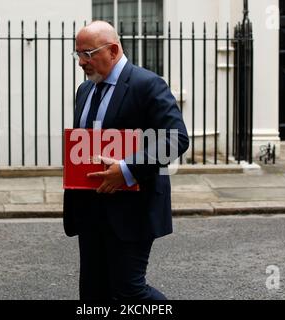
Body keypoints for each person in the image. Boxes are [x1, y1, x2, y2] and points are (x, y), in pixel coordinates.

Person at [63, 20, 189, 300]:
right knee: (93, 292)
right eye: (78, 55)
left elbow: (176, 138)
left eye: (88, 53)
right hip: (90, 207)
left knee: (130, 290)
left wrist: (127, 168)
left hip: (131, 208)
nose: (81, 62)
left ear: (113, 50)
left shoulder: (147, 84)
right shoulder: (85, 91)